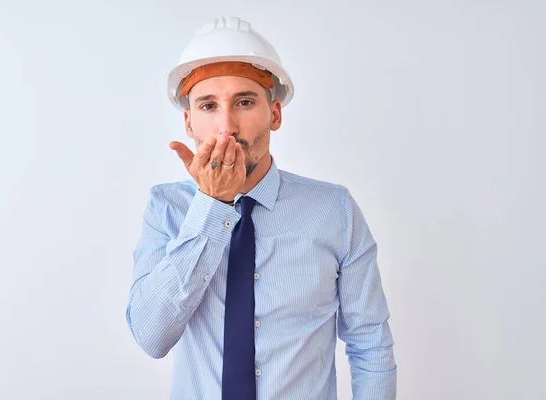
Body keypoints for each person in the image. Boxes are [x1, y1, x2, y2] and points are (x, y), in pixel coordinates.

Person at [126, 16, 397, 400]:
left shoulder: (334, 210)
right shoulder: (166, 208)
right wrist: (213, 204)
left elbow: (370, 343)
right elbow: (151, 336)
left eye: (245, 102)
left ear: (275, 113)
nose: (227, 127)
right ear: (188, 122)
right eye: (208, 106)